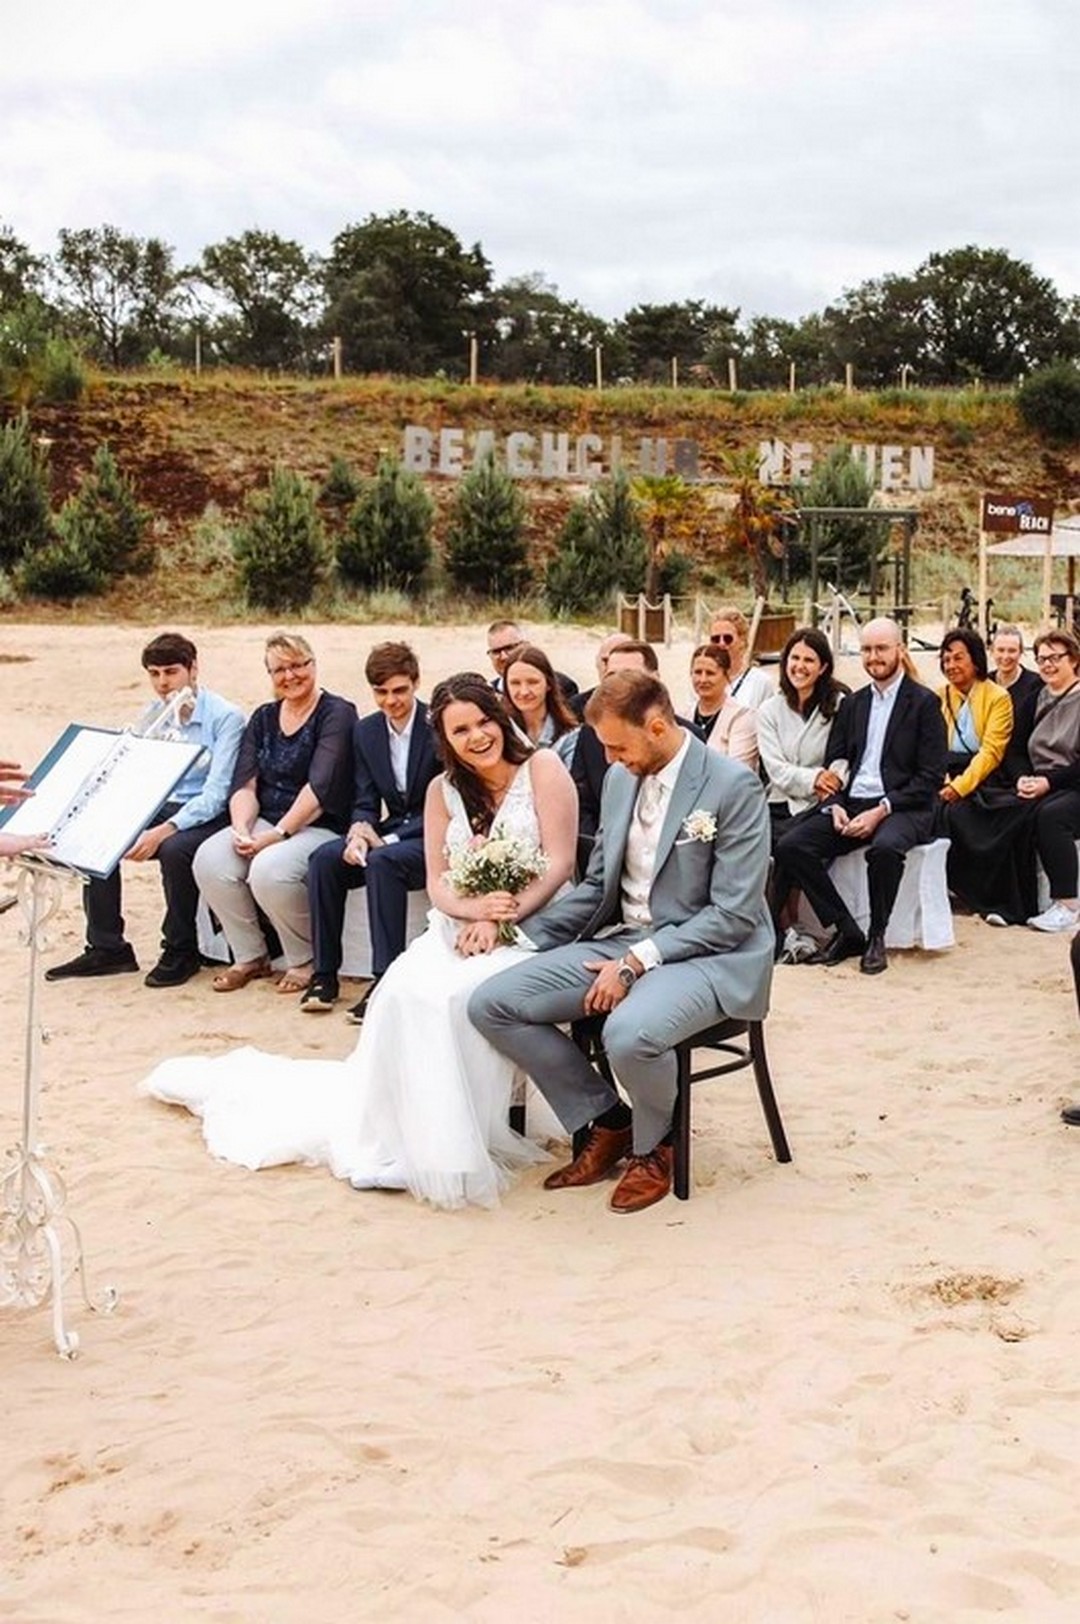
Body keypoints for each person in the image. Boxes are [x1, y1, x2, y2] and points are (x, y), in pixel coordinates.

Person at [140, 674, 579, 1209]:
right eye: (460, 731)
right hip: (462, 922)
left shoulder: (543, 768)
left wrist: (502, 915)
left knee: (452, 999)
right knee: (399, 990)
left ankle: (458, 1145)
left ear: (499, 716)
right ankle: (397, 1137)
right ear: (445, 739)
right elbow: (440, 883)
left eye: (484, 721)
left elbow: (559, 863)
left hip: (536, 922)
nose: (477, 737)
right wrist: (472, 910)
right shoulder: (443, 791)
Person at [469, 669, 773, 1215]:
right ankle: (608, 1120)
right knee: (493, 1002)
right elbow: (596, 887)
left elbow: (734, 914)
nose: (610, 759)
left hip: (710, 954)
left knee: (626, 1032)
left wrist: (638, 961)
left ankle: (656, 1147)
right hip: (624, 939)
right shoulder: (618, 780)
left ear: (656, 727)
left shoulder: (733, 787)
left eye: (617, 746)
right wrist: (520, 939)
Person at [44, 633, 245, 989]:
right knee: (101, 834)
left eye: (171, 672)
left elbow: (216, 794)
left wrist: (165, 828)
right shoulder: (156, 714)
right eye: (154, 674)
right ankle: (108, 947)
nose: (163, 683)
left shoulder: (226, 717)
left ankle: (181, 948)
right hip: (163, 803)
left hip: (208, 812)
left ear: (193, 669)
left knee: (174, 850)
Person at [774, 617, 947, 976]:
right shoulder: (854, 703)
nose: (873, 657)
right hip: (851, 800)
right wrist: (834, 804)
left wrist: (882, 810)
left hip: (904, 804)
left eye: (881, 648)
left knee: (885, 849)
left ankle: (876, 937)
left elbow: (930, 778)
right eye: (867, 649)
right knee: (792, 845)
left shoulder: (924, 703)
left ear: (899, 649)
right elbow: (838, 759)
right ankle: (847, 929)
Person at [193, 632, 356, 993]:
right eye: (279, 669)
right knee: (210, 859)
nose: (290, 676)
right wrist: (241, 829)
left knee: (270, 870)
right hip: (266, 818)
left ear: (313, 665)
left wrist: (277, 835)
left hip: (320, 822)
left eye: (298, 665)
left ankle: (304, 958)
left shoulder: (337, 713)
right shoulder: (264, 717)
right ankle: (251, 955)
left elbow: (320, 788)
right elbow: (246, 784)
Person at [301, 642, 439, 1020]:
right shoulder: (365, 731)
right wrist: (359, 831)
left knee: (382, 861)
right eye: (381, 692)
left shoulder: (437, 725)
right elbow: (364, 797)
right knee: (324, 859)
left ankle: (385, 979)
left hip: (433, 833)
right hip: (389, 828)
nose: (391, 700)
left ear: (415, 683)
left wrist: (387, 840)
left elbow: (446, 802)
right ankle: (324, 974)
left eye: (399, 690)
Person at [502, 643, 580, 766]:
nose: (524, 691)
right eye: (515, 683)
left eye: (532, 682)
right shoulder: (500, 730)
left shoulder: (571, 735)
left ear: (549, 684)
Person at [688, 642, 757, 769]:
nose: (702, 680)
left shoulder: (742, 717)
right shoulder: (684, 715)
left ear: (726, 675)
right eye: (698, 672)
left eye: (710, 673)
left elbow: (737, 770)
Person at [990, 624, 1044, 784]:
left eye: (1012, 650)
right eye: (1000, 650)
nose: (1005, 656)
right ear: (992, 650)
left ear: (1021, 652)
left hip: (1023, 761)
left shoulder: (1036, 685)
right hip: (990, 759)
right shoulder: (985, 683)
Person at [486, 619, 578, 701]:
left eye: (509, 648)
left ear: (526, 646)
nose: (503, 656)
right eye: (496, 652)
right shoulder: (487, 694)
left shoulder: (561, 685)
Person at [708, 606, 773, 709]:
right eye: (715, 639)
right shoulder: (702, 679)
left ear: (742, 641)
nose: (721, 643)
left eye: (727, 638)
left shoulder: (761, 682)